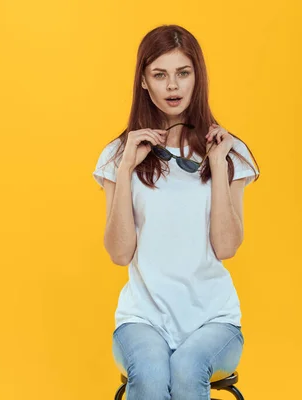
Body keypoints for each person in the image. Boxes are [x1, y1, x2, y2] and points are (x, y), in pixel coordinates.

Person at [92, 24, 260, 400]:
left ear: (197, 78)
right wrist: (125, 170)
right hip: (143, 319)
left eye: (183, 73)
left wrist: (217, 164)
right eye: (160, 75)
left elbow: (226, 247)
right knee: (151, 374)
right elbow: (119, 254)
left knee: (186, 369)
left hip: (213, 320)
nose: (173, 86)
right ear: (143, 82)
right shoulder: (117, 156)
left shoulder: (230, 153)